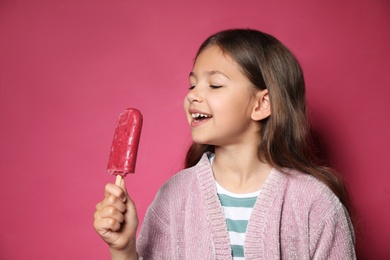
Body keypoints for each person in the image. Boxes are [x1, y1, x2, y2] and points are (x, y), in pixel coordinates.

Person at [94, 28, 356, 259]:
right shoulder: (174, 197)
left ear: (261, 104)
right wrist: (123, 250)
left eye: (215, 85)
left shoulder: (315, 204)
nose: (193, 95)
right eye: (192, 85)